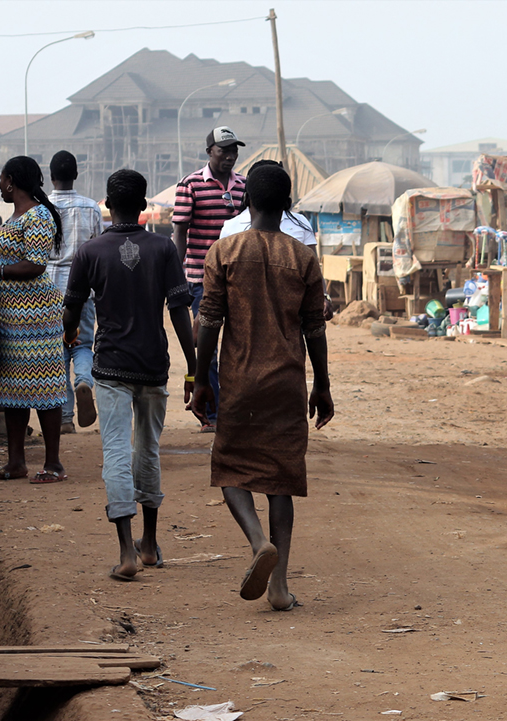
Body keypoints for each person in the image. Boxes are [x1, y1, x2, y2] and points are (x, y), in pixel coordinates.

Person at [193, 163, 332, 611]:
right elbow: (315, 329)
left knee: (230, 468)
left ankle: (257, 542)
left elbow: (208, 321)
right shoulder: (304, 258)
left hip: (238, 380)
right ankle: (279, 587)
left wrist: (199, 381)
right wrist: (323, 386)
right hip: (287, 381)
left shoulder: (224, 252)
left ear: (245, 201)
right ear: (288, 205)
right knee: (281, 480)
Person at [63, 169, 196, 582]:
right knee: (148, 449)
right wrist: (194, 367)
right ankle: (151, 544)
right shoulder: (163, 249)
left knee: (117, 453)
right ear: (142, 206)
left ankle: (126, 554)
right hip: (153, 364)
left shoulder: (91, 251)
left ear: (107, 203)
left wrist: (68, 341)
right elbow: (178, 311)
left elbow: (71, 309)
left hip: (110, 365)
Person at [0, 156, 68, 484]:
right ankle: (16, 462)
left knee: (44, 386)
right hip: (8, 314)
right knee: (11, 389)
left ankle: (54, 464)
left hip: (36, 317)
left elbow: (36, 264)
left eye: (0, 180)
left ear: (11, 180)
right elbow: (0, 259)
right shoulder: (16, 216)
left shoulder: (38, 215)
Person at [173, 126, 246, 433]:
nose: (229, 157)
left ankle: (235, 411)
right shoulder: (190, 185)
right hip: (201, 281)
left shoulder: (244, 186)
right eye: (223, 151)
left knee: (240, 344)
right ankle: (213, 414)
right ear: (209, 153)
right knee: (208, 346)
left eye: (234, 151)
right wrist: (176, 278)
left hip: (238, 279)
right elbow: (180, 232)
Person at [219, 159, 334, 320]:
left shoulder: (300, 222)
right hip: (245, 313)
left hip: (293, 310)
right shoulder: (232, 227)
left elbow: (313, 268)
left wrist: (323, 297)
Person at [47, 151, 104, 434]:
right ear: (76, 175)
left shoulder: (40, 209)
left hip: (48, 292)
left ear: (51, 176)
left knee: (56, 351)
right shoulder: (91, 208)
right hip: (84, 291)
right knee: (81, 345)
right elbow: (99, 250)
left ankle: (65, 418)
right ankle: (84, 380)